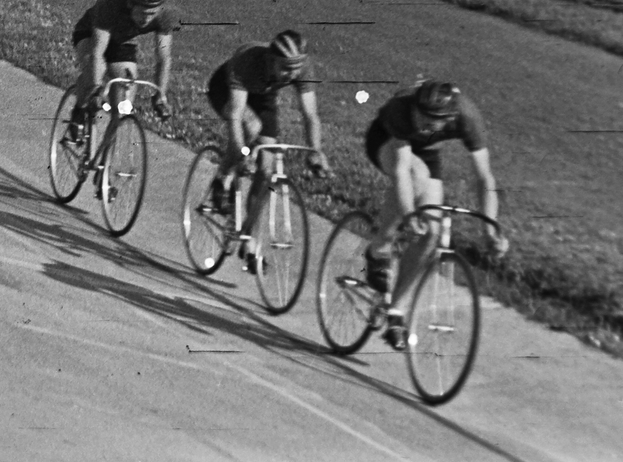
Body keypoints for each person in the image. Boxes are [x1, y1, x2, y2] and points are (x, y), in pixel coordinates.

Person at [362, 80, 507, 349]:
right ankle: (378, 249)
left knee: (432, 234)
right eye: (421, 116)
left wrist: (490, 228)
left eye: (433, 121)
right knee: (416, 176)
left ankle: (396, 311)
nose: (424, 124)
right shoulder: (401, 110)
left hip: (428, 154)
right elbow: (403, 170)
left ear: (450, 118)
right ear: (414, 106)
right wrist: (407, 214)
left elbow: (484, 178)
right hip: (387, 142)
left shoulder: (466, 116)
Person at [203, 31, 330, 252]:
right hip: (227, 89)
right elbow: (235, 116)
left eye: (296, 69)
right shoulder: (248, 61)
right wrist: (241, 154)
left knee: (267, 168)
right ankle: (223, 178)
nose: (292, 74)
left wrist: (315, 150)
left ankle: (249, 236)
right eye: (286, 68)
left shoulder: (301, 66)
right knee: (250, 127)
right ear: (270, 60)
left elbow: (310, 114)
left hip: (263, 95)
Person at [68, 0, 174, 138]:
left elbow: (163, 58)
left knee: (124, 103)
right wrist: (96, 89)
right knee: (95, 69)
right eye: (141, 13)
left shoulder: (163, 16)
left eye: (151, 14)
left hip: (122, 41)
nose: (146, 19)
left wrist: (161, 96)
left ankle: (103, 161)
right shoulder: (112, 4)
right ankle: (79, 109)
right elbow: (97, 52)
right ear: (131, 5)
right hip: (91, 33)